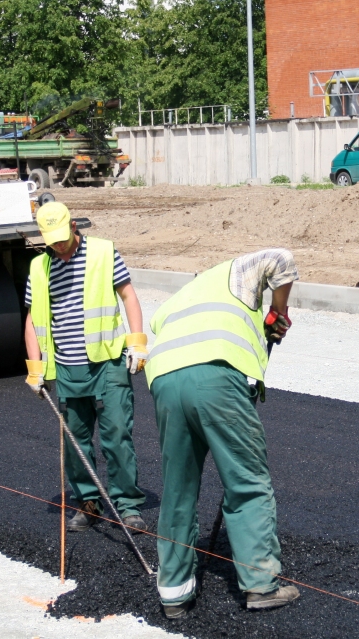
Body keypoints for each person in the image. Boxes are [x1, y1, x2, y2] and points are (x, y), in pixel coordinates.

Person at [145, 248, 300, 618]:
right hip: (214, 375)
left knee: (178, 488)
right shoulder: (234, 271)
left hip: (164, 380)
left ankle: (174, 594)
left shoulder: (179, 300)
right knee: (247, 481)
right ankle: (261, 585)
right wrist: (279, 311)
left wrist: (262, 328)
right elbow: (281, 259)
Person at [23, 201, 149, 532]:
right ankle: (89, 504)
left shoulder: (104, 253)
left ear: (74, 227)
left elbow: (129, 296)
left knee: (118, 435)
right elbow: (32, 320)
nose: (59, 246)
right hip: (66, 369)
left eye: (63, 238)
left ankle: (127, 505)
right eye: (52, 241)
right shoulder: (38, 268)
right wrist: (35, 368)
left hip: (106, 362)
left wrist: (137, 341)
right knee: (75, 441)